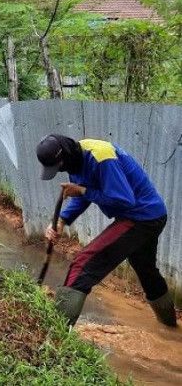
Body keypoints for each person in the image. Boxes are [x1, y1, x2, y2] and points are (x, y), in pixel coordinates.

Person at [37, 134, 176, 327]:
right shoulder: (76, 160)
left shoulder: (101, 158)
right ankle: (170, 328)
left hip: (140, 217)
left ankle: (53, 334)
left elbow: (124, 199)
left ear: (65, 157)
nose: (61, 170)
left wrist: (84, 191)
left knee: (82, 263)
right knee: (146, 271)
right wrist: (61, 220)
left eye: (59, 166)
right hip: (150, 215)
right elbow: (81, 194)